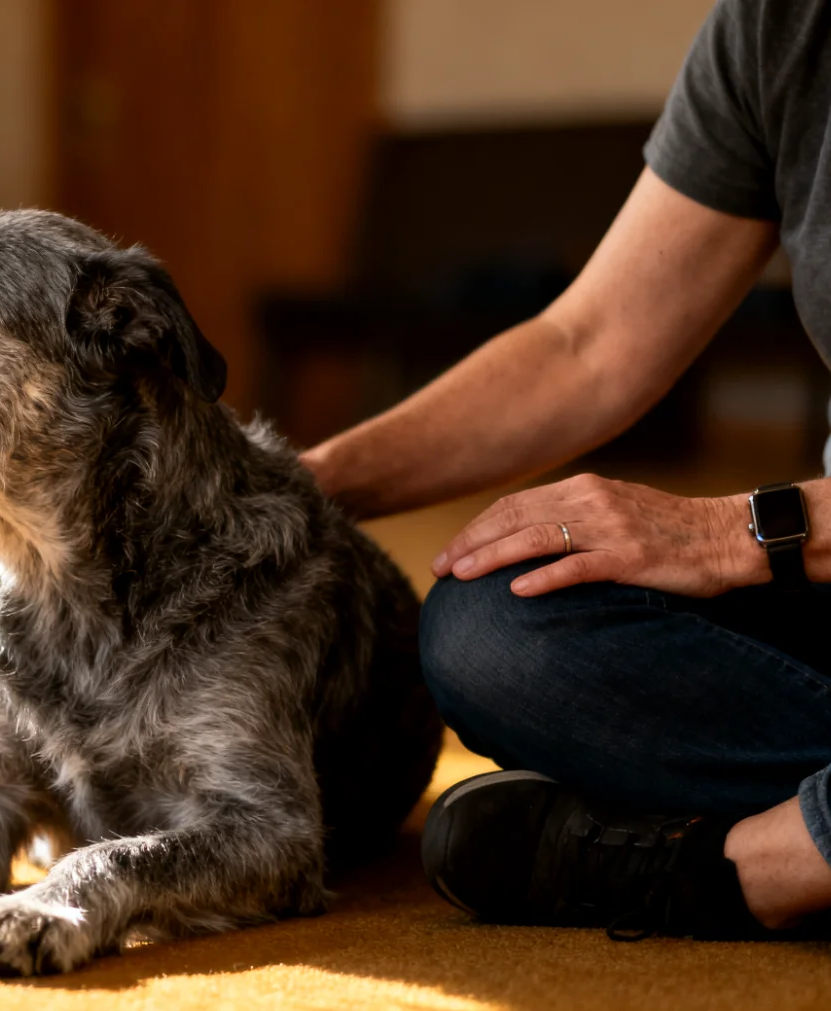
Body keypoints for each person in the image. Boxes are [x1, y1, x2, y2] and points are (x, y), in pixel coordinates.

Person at [301, 0, 831, 939]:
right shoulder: (779, 28)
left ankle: (735, 869)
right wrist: (288, 486)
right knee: (496, 615)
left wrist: (737, 532)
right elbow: (587, 345)